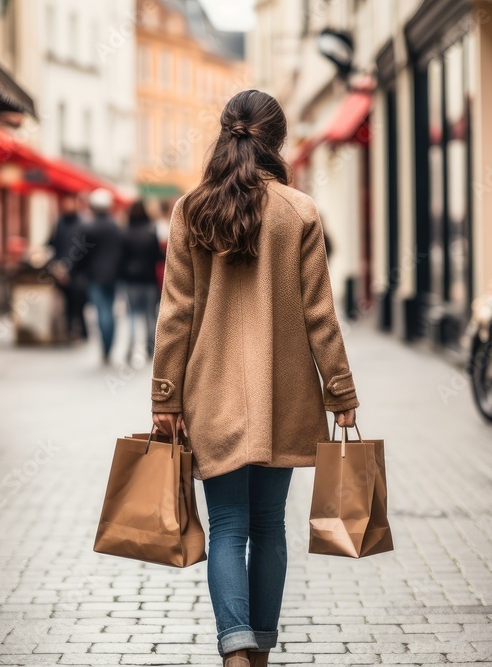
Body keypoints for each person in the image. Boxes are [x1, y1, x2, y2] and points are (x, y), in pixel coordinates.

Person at [150, 90, 359, 667]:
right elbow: (321, 314)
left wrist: (164, 394)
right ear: (277, 141)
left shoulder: (192, 210)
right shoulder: (300, 211)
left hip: (208, 394)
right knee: (268, 526)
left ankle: (234, 645)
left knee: (226, 527)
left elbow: (176, 312)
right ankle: (259, 650)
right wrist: (340, 390)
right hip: (284, 396)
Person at [84, 188, 124, 364]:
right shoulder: (116, 227)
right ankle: (109, 347)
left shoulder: (90, 227)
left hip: (95, 276)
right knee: (109, 310)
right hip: (113, 275)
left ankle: (106, 348)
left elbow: (82, 254)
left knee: (102, 312)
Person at [121, 200, 164, 361]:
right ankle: (149, 348)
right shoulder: (151, 233)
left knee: (132, 314)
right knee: (149, 315)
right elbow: (158, 257)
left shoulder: (125, 233)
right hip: (149, 280)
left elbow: (121, 258)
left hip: (131, 280)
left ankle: (131, 348)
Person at [47, 193, 91, 341]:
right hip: (61, 268)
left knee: (78, 302)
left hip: (78, 271)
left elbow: (82, 249)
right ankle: (69, 329)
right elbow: (53, 243)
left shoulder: (82, 224)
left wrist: (69, 267)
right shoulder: (60, 223)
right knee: (67, 302)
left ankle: (81, 330)